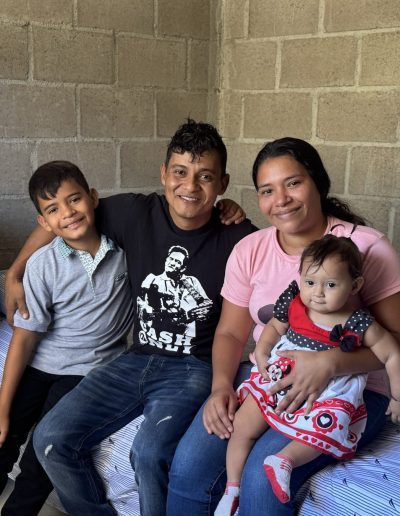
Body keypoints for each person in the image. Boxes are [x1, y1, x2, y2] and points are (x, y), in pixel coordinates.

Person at [5, 119, 256, 516]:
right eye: (180, 172)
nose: (190, 186)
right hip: (134, 358)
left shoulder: (239, 238)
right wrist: (16, 271)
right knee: (50, 437)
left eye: (205, 177)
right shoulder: (136, 213)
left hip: (192, 367)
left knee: (149, 453)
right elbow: (65, 218)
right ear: (164, 173)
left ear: (222, 183)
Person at [166, 136, 400, 516]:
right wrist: (221, 387)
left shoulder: (366, 247)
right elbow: (230, 333)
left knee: (263, 477)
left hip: (352, 389)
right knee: (189, 465)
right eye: (267, 190)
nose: (281, 199)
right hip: (272, 372)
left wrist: (331, 363)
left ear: (317, 182)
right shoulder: (251, 249)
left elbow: (395, 343)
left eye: (293, 183)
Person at [215, 235, 400, 514]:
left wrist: (397, 397)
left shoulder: (357, 322)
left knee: (327, 427)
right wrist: (263, 351)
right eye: (310, 282)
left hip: (329, 389)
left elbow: (392, 354)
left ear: (355, 285)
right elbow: (274, 327)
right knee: (242, 425)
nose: (318, 293)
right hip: (281, 376)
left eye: (331, 284)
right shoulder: (294, 304)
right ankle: (233, 488)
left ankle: (285, 460)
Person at [0, 161, 133, 515]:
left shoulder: (125, 253)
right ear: (44, 223)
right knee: (5, 435)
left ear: (93, 198)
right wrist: (2, 407)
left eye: (74, 199)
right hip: (41, 364)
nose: (68, 213)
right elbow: (24, 339)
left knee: (40, 455)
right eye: (53, 209)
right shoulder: (43, 264)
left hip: (84, 373)